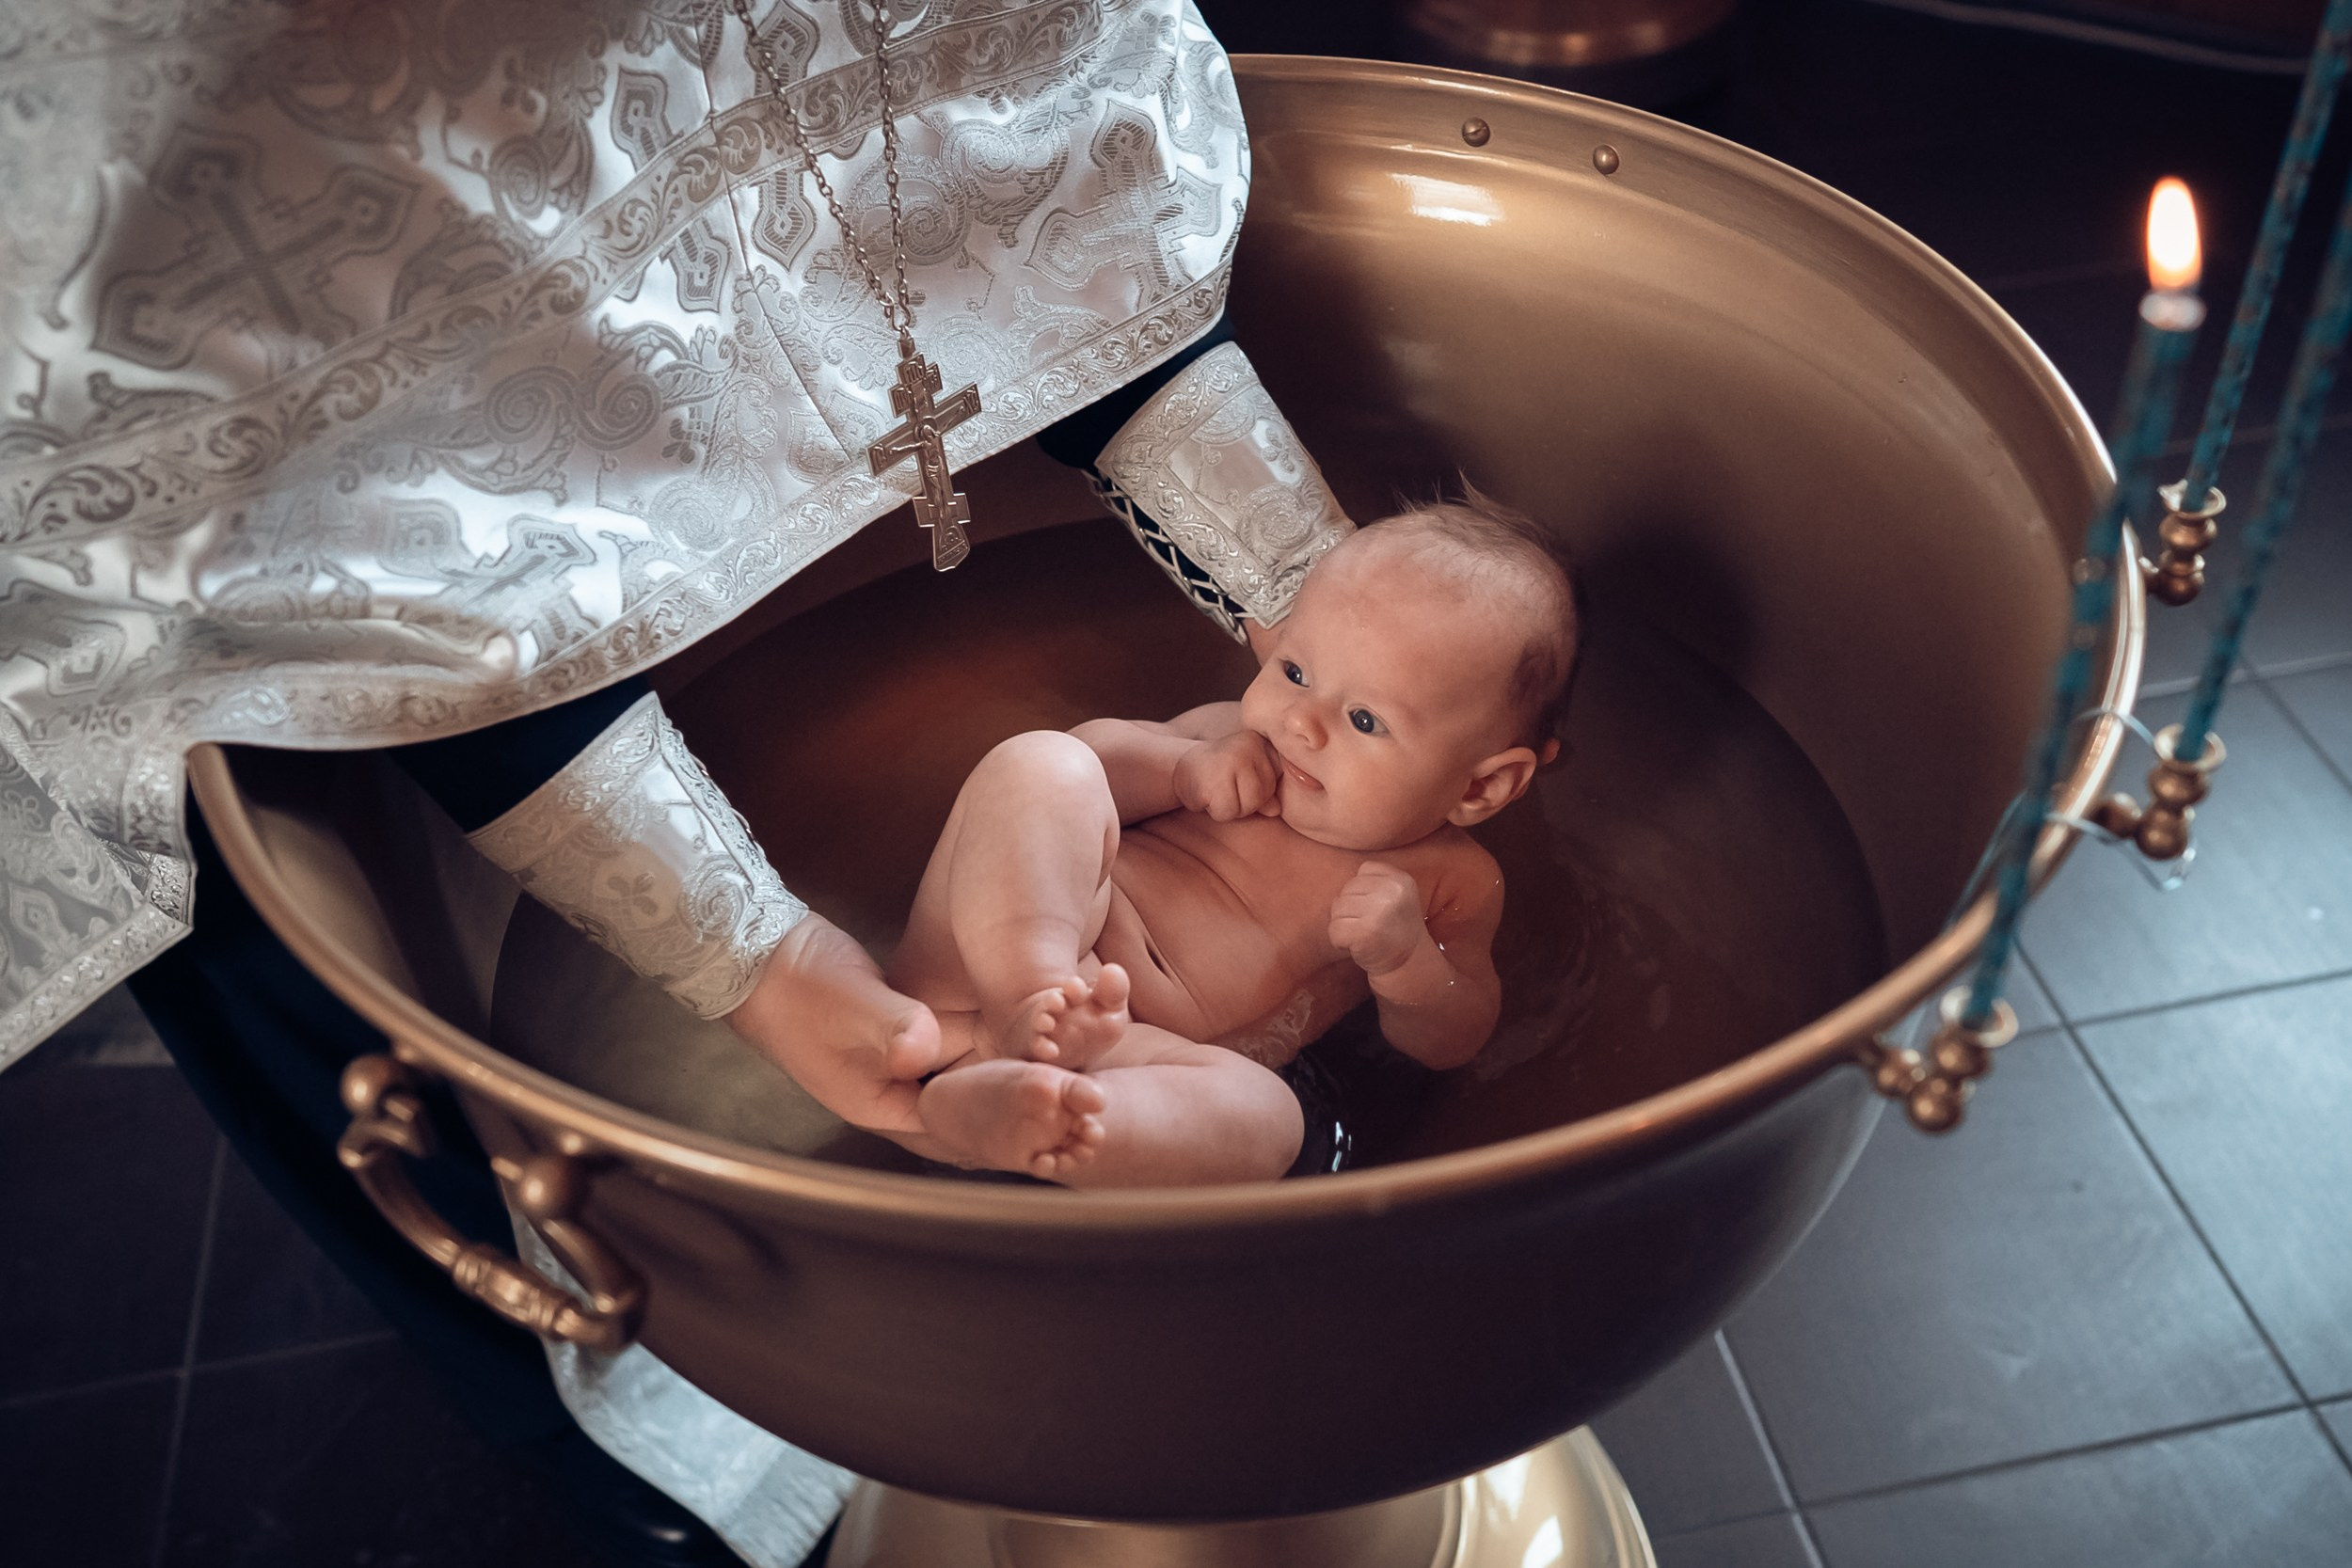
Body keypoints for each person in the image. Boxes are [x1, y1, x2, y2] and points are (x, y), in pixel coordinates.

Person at [0, 3, 1351, 1564]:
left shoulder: (1442, 835)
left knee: (1257, 1116)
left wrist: (1328, 630)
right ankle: (752, 1408)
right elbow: (327, 499)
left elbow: (1013, 90)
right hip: (1039, 960)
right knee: (1040, 771)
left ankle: (1028, 1111)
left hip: (1168, 1033)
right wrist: (778, 956)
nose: (1325, 733)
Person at [892, 498, 1579, 1185]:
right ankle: (1029, 996)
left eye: (1365, 719)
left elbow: (1452, 1040)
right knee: (1046, 764)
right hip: (981, 967)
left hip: (1127, 1056)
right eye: (1295, 672)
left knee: (1272, 1118)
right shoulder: (1226, 734)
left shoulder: (1449, 882)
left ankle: (1030, 1116)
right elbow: (1089, 772)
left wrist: (1406, 959)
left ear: (1480, 787)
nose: (1300, 722)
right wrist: (1180, 770)